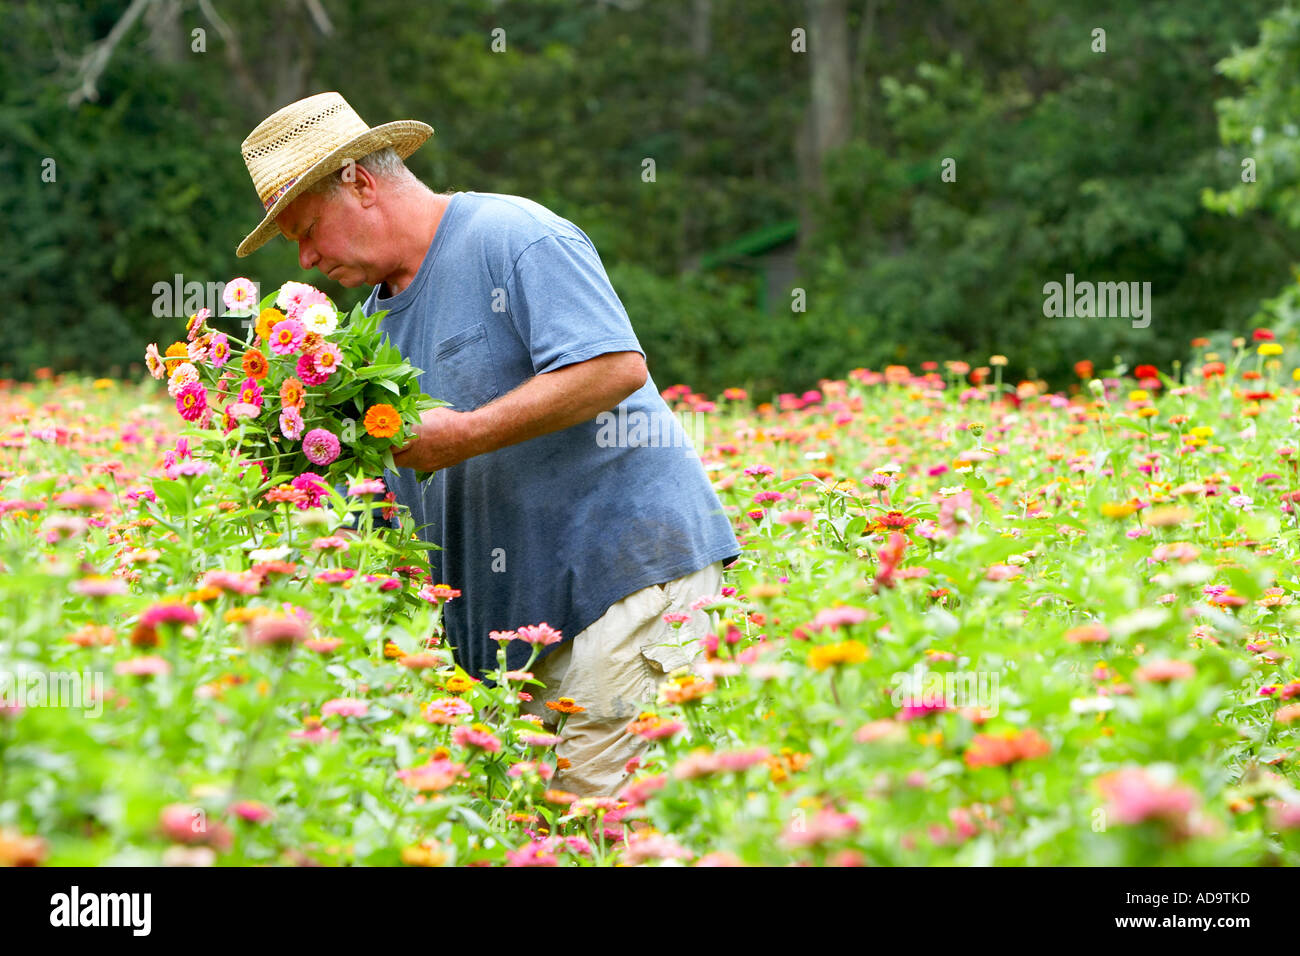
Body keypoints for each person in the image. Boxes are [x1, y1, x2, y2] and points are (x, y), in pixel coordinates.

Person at [235, 92, 741, 797]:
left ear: (360, 182)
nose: (307, 256)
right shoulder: (368, 333)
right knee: (534, 833)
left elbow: (615, 367)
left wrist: (466, 434)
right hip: (519, 642)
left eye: (307, 228)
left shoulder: (511, 235)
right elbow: (384, 496)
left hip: (626, 585)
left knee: (598, 831)